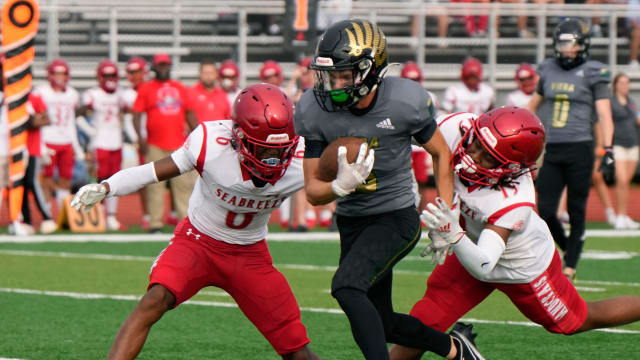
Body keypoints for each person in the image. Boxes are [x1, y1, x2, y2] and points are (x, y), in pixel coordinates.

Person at [70, 84, 320, 360]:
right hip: (197, 242)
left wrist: (345, 183)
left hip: (250, 255)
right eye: (260, 149)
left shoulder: (303, 157)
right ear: (237, 136)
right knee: (154, 300)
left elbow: (335, 183)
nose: (272, 160)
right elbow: (154, 171)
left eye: (281, 149)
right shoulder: (211, 142)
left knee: (296, 349)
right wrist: (108, 186)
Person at [295, 19, 483, 360]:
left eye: (344, 75)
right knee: (382, 321)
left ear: (371, 70)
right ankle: (456, 349)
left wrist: (447, 213)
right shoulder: (312, 108)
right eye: (329, 75)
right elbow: (312, 190)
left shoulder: (404, 101)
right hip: (352, 220)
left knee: (346, 287)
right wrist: (339, 186)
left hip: (395, 216)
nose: (334, 85)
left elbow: (441, 152)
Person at [389, 108, 640, 360]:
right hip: (471, 243)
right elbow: (398, 131)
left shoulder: (514, 200)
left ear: (509, 167)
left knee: (577, 320)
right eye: (476, 142)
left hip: (521, 265)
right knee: (427, 317)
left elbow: (484, 265)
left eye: (486, 156)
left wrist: (453, 234)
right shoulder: (458, 127)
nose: (471, 155)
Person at [527, 18, 615, 281]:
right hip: (553, 147)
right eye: (562, 42)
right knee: (544, 208)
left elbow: (604, 113)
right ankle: (569, 247)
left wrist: (609, 148)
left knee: (577, 208)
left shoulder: (593, 72)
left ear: (582, 44)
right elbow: (532, 105)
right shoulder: (549, 69)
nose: (564, 48)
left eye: (570, 42)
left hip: (580, 147)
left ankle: (571, 263)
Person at [132, 53, 198, 233]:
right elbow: (136, 115)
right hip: (154, 143)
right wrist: (140, 137)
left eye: (166, 65)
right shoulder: (146, 89)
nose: (163, 68)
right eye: (160, 65)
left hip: (179, 144)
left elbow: (190, 113)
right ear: (154, 67)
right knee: (155, 185)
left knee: (183, 185)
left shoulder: (180, 88)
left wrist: (197, 136)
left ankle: (186, 223)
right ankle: (155, 224)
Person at [76, 60, 128, 231]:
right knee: (100, 179)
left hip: (116, 141)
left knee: (115, 180)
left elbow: (128, 114)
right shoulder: (93, 94)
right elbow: (78, 115)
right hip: (100, 142)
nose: (110, 78)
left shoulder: (121, 94)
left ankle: (111, 217)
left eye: (112, 75)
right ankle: (96, 215)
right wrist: (90, 131)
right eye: (106, 75)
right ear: (100, 76)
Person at [33, 59, 84, 210]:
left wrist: (76, 146)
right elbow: (37, 119)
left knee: (66, 178)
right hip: (48, 139)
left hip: (66, 141)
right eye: (56, 73)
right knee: (47, 178)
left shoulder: (73, 94)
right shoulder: (41, 92)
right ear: (49, 75)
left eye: (63, 74)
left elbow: (70, 122)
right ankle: (47, 212)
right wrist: (40, 144)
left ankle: (64, 213)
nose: (60, 77)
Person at [401, 61, 438, 212]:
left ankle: (420, 214)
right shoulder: (397, 97)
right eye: (410, 80)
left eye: (415, 80)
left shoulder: (429, 96)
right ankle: (408, 212)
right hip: (403, 144)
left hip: (422, 145)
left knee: (423, 182)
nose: (413, 84)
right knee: (404, 180)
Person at [21, 92, 58, 234]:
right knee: (20, 185)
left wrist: (30, 121)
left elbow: (45, 119)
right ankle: (27, 221)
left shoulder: (34, 98)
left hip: (32, 147)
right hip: (16, 148)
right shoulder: (9, 97)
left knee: (32, 182)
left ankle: (47, 217)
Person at [122, 56, 151, 230]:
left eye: (138, 71)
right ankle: (147, 214)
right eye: (132, 72)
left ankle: (169, 214)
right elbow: (128, 119)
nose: (136, 75)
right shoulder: (127, 95)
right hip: (141, 140)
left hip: (156, 136)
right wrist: (135, 138)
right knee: (144, 178)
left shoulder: (151, 89)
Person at [609, 72, 640, 229]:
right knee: (620, 179)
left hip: (633, 144)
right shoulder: (611, 102)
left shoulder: (631, 101)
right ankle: (619, 215)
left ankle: (624, 214)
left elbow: (637, 119)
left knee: (626, 182)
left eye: (627, 82)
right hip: (618, 144)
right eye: (621, 82)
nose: (625, 85)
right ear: (615, 85)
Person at [188, 59, 231, 124]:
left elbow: (228, 119)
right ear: (200, 74)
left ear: (216, 74)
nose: (208, 76)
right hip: (199, 133)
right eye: (205, 73)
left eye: (211, 73)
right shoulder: (190, 93)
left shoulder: (223, 95)